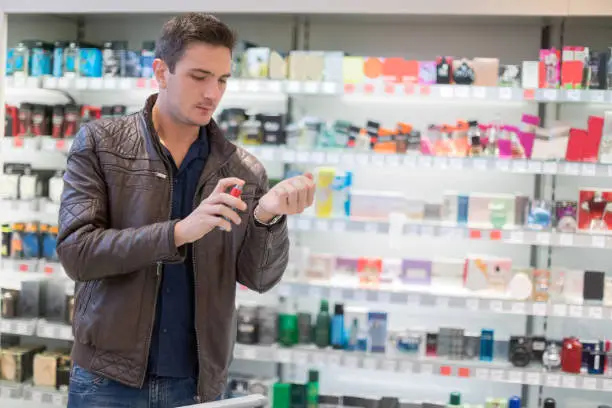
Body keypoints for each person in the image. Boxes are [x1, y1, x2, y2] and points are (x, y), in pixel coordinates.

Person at [58, 12, 315, 408]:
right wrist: (179, 231)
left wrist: (268, 217)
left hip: (195, 382)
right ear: (162, 72)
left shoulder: (243, 170)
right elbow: (78, 254)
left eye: (222, 79)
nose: (213, 93)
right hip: (107, 379)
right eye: (199, 76)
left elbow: (259, 279)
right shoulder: (101, 143)